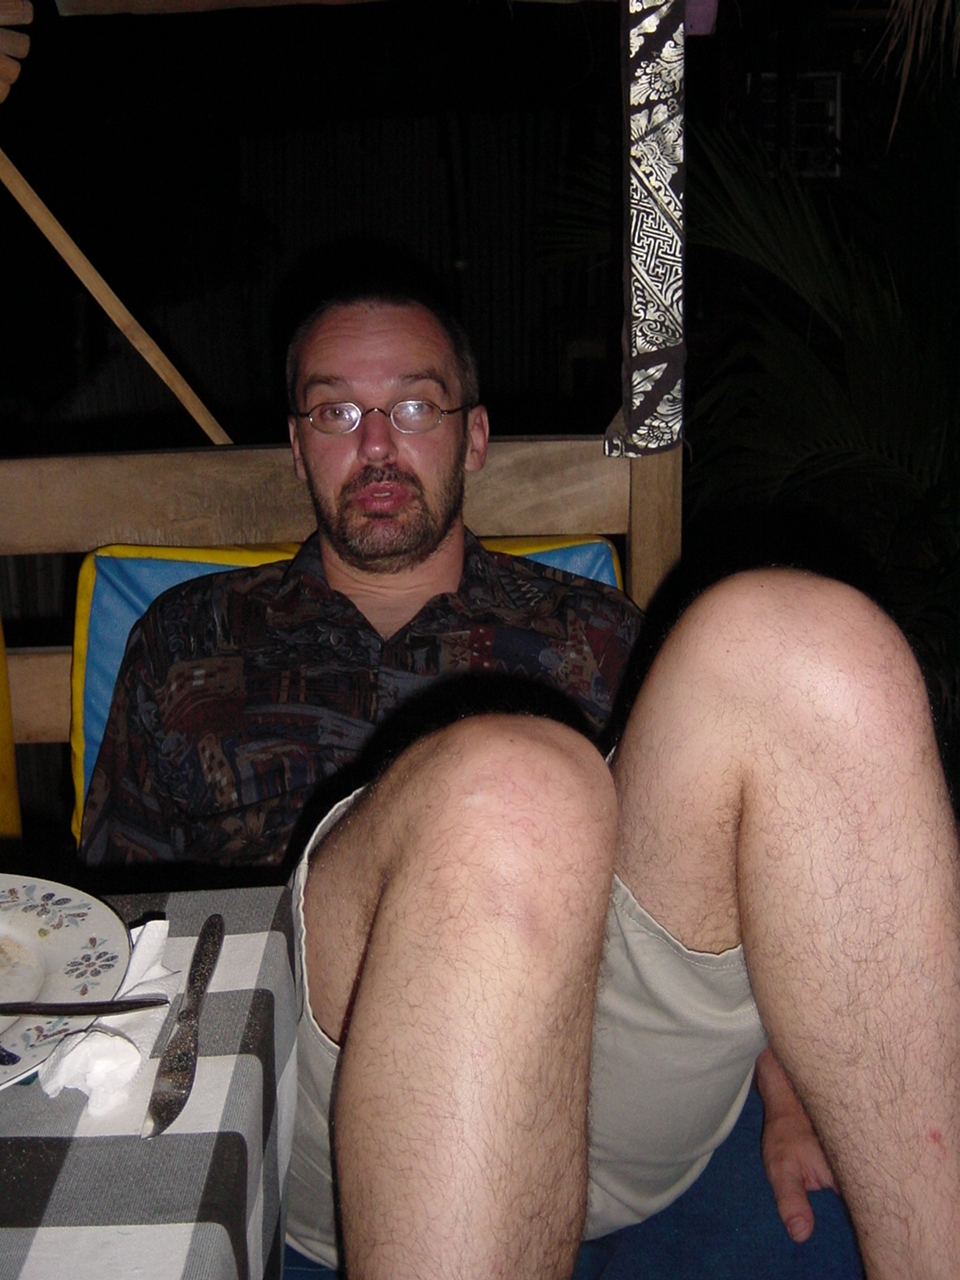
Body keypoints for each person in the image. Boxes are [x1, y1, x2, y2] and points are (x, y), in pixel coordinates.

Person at [82, 287, 960, 1280]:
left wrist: (792, 1089)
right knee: (513, 792)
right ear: (297, 445)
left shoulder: (595, 628)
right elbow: (120, 924)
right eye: (336, 411)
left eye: (415, 406)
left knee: (814, 642)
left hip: (610, 1064)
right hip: (312, 1079)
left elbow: (745, 859)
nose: (376, 444)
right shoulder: (190, 635)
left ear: (475, 437)